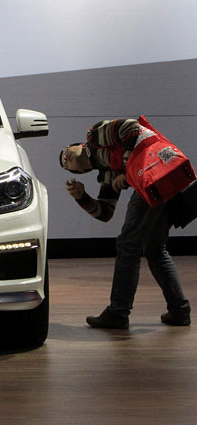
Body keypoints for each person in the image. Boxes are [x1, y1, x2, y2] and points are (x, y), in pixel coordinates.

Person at [59, 118, 191, 329]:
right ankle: (179, 310)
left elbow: (131, 127)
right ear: (79, 172)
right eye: (66, 163)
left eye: (66, 152)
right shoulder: (107, 174)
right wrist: (82, 197)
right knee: (154, 248)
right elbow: (105, 213)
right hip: (164, 173)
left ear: (79, 145)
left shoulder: (95, 135)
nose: (66, 157)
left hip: (154, 173)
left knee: (128, 243)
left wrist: (126, 171)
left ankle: (118, 313)